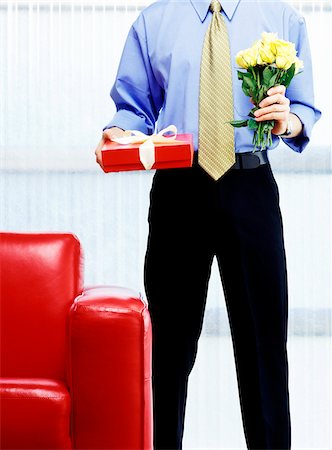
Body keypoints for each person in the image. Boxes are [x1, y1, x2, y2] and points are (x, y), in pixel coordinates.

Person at [95, 1, 321, 449]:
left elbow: (303, 111)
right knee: (168, 349)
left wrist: (287, 119)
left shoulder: (282, 18)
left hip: (251, 186)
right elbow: (133, 109)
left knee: (263, 346)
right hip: (179, 190)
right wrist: (119, 132)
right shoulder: (153, 22)